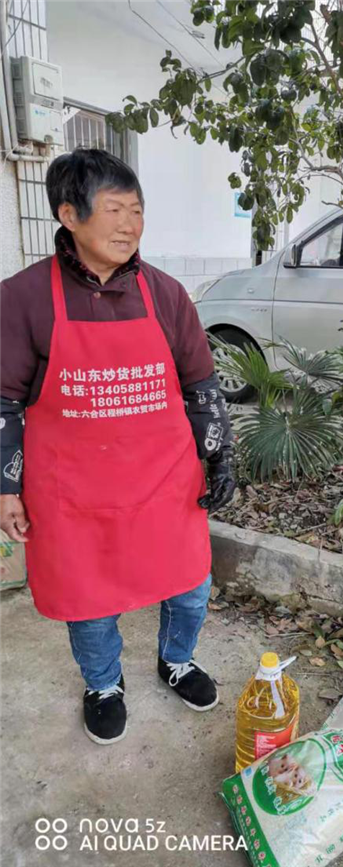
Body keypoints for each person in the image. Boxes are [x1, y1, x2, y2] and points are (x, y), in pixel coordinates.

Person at [0, 148, 236, 745]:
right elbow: (2, 402)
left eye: (137, 210)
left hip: (164, 481)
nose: (130, 224)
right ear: (69, 215)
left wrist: (219, 455)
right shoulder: (23, 298)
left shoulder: (165, 294)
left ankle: (176, 659)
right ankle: (103, 682)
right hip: (72, 491)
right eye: (114, 210)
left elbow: (201, 386)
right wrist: (6, 489)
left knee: (190, 584)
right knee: (89, 598)